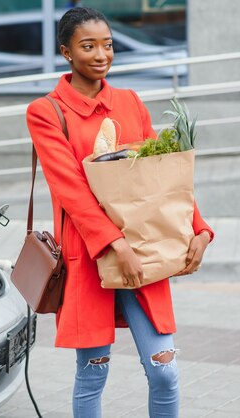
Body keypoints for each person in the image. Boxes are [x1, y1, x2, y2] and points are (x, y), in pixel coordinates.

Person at [25, 7, 214, 418]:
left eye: (107, 45)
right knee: (93, 372)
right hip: (91, 256)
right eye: (87, 46)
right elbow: (70, 190)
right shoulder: (46, 111)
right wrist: (114, 244)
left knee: (164, 371)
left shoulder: (129, 102)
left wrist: (198, 227)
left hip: (144, 249)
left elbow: (164, 177)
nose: (100, 54)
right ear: (65, 52)